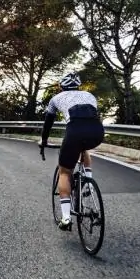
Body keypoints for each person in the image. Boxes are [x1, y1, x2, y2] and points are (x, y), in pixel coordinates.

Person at [38, 72, 104, 230]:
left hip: (74, 131)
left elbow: (48, 123)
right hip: (97, 132)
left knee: (65, 172)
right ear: (78, 86)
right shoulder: (89, 95)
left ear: (61, 87)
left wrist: (44, 141)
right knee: (84, 148)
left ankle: (66, 218)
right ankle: (88, 182)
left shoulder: (56, 99)